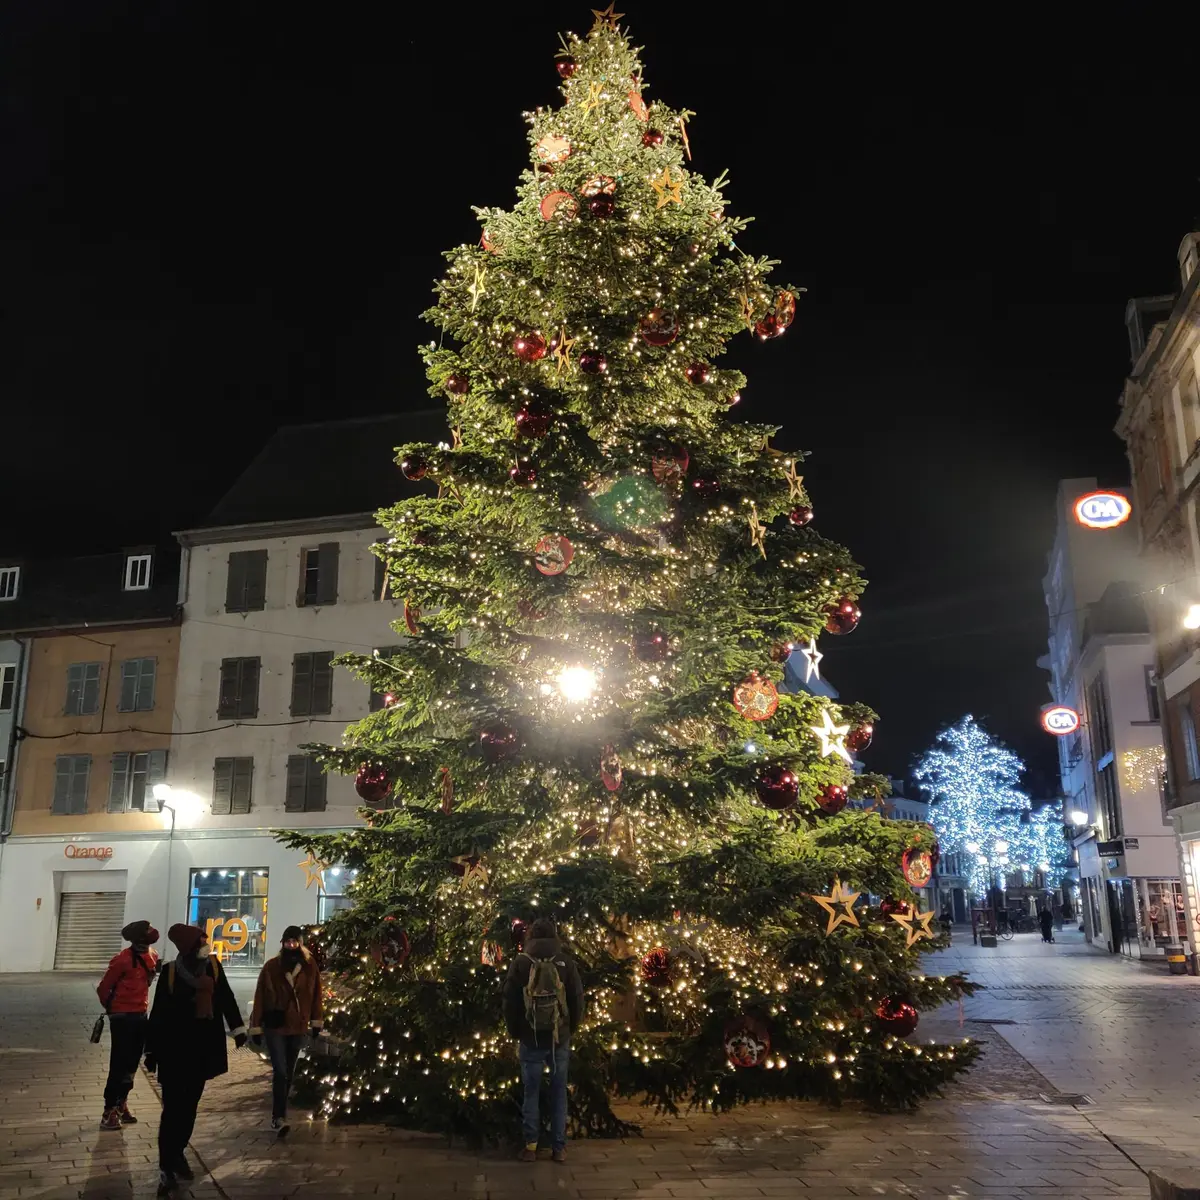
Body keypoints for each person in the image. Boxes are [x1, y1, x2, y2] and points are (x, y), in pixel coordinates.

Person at [144, 924, 247, 1195]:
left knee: (189, 1107)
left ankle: (177, 1153)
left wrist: (238, 1029)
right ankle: (166, 1165)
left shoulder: (213, 966)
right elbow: (159, 1014)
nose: (207, 943)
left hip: (202, 1051)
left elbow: (225, 998)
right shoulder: (169, 973)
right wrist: (151, 1051)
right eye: (202, 940)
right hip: (173, 1053)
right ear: (189, 946)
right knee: (172, 1110)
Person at [503, 916, 585, 1163]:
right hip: (559, 1037)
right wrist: (570, 1028)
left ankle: (530, 1146)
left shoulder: (521, 962)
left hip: (530, 1038)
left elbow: (510, 1002)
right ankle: (559, 1147)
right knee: (559, 1090)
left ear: (530, 937)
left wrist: (515, 1032)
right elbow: (577, 998)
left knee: (531, 1091)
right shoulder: (564, 962)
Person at [249, 925, 324, 1135]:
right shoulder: (272, 967)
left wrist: (316, 1021)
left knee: (289, 1071)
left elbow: (317, 994)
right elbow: (260, 996)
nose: (291, 945)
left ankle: (280, 1113)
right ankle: (278, 1117)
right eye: (287, 942)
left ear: (300, 943)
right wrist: (256, 1027)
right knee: (280, 1071)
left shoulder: (309, 966)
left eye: (294, 942)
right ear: (282, 943)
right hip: (276, 1025)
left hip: (298, 1025)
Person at [96, 919, 160, 1130]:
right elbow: (103, 988)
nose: (152, 934)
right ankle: (109, 1110)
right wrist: (115, 1009)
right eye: (148, 932)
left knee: (132, 1063)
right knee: (119, 1063)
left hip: (141, 1015)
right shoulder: (122, 960)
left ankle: (122, 1102)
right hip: (123, 1018)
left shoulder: (152, 955)